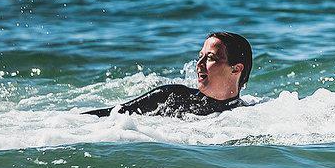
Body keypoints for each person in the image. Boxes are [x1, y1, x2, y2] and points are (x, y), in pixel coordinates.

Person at [83, 32, 253, 117]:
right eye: (200, 56)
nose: (199, 64)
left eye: (209, 58)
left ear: (236, 68)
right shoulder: (171, 97)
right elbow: (113, 115)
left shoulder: (246, 114)